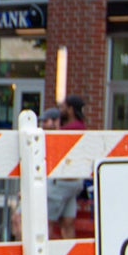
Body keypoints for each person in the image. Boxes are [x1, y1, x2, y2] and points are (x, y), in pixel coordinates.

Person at [46, 93, 89, 229]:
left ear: (70, 109)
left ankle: (50, 250)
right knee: (67, 224)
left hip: (61, 182)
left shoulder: (71, 129)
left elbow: (52, 144)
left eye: (64, 107)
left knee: (46, 224)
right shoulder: (81, 126)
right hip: (74, 182)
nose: (61, 110)